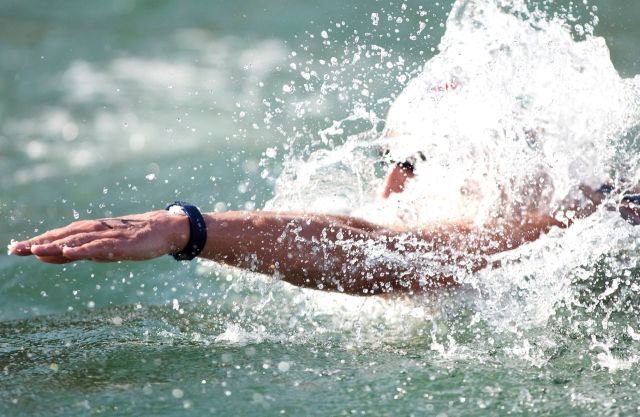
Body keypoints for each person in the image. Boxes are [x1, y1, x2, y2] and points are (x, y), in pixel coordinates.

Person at [8, 141, 640, 295]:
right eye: (397, 161)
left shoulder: (586, 209)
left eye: (416, 164)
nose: (393, 188)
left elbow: (401, 258)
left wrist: (190, 229)